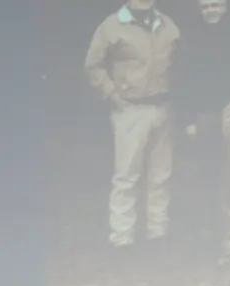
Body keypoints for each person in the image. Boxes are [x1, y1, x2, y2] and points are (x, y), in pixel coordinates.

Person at [85, 0, 181, 249]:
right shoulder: (112, 25)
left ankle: (157, 233)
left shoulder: (167, 25)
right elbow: (93, 65)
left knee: (161, 174)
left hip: (163, 107)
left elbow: (181, 63)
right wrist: (113, 95)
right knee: (127, 175)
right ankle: (122, 239)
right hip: (131, 109)